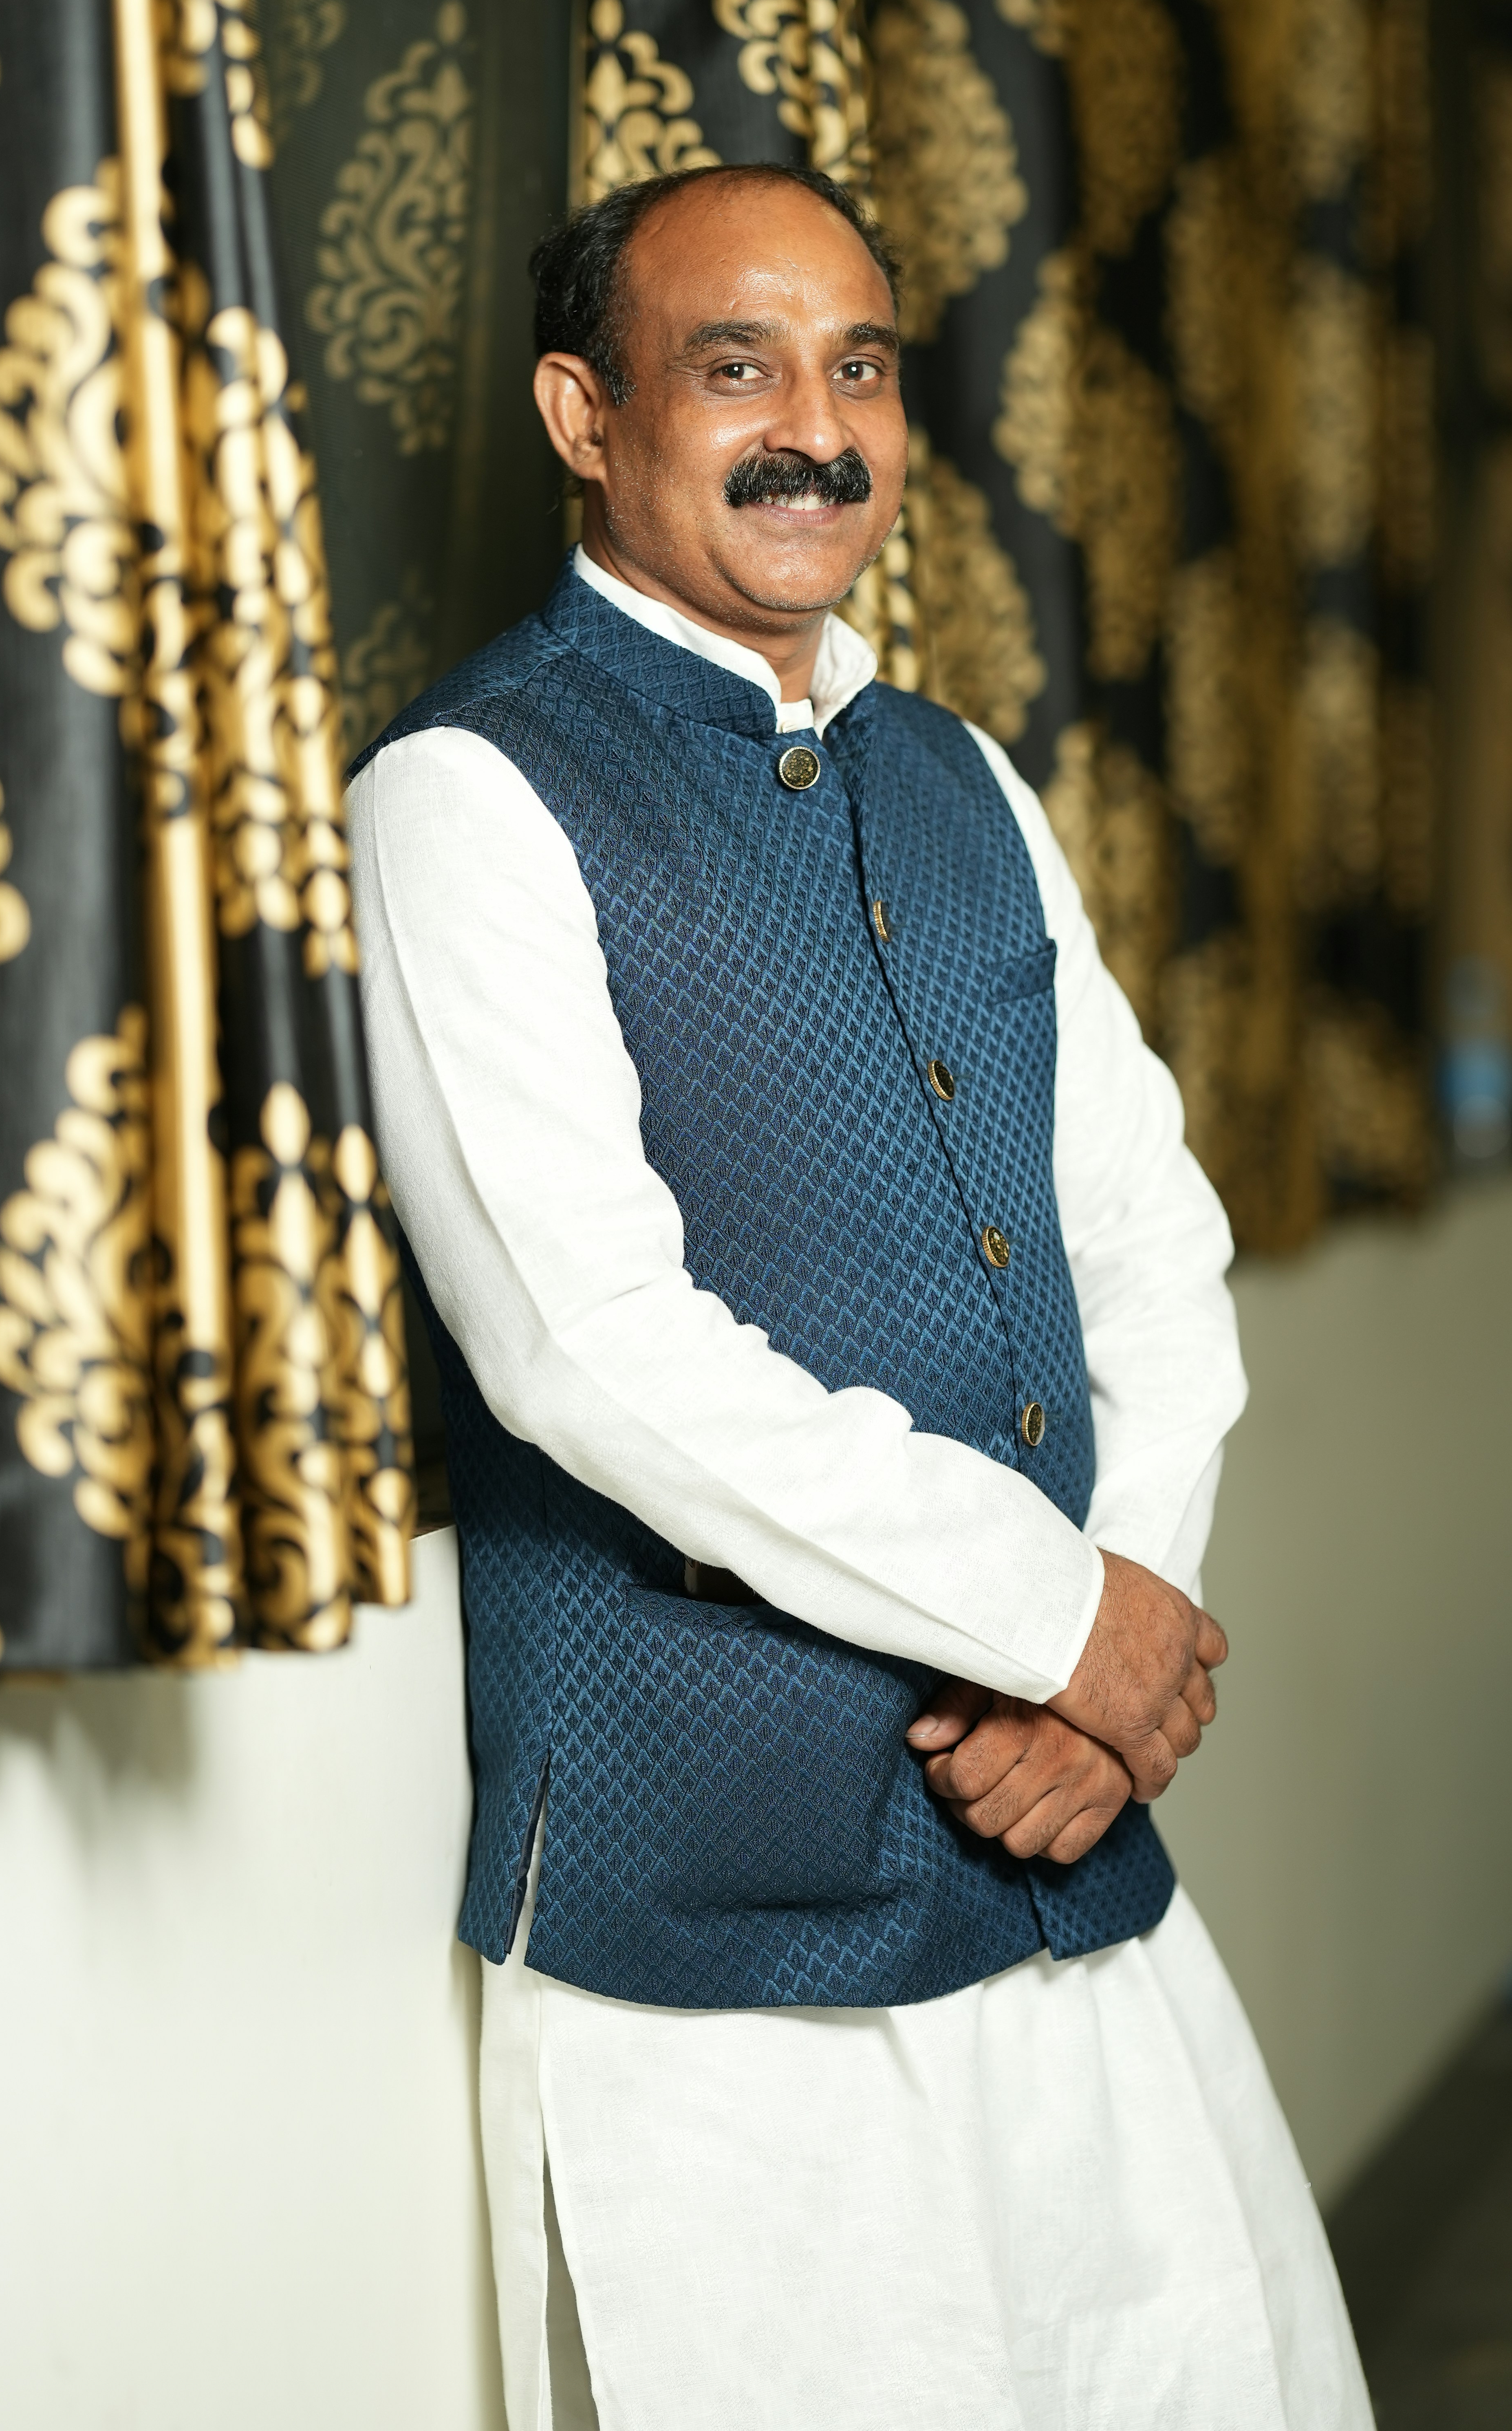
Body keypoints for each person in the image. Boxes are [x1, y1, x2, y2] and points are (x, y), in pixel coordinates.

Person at [346, 161, 1373, 2431]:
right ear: (581, 416)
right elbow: (585, 1345)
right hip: (708, 1950)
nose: (817, 425)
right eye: (737, 367)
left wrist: (1116, 1653)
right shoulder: (470, 793)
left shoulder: (963, 779)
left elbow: (1152, 1248)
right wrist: (1059, 1624)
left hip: (1065, 1866)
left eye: (864, 366)